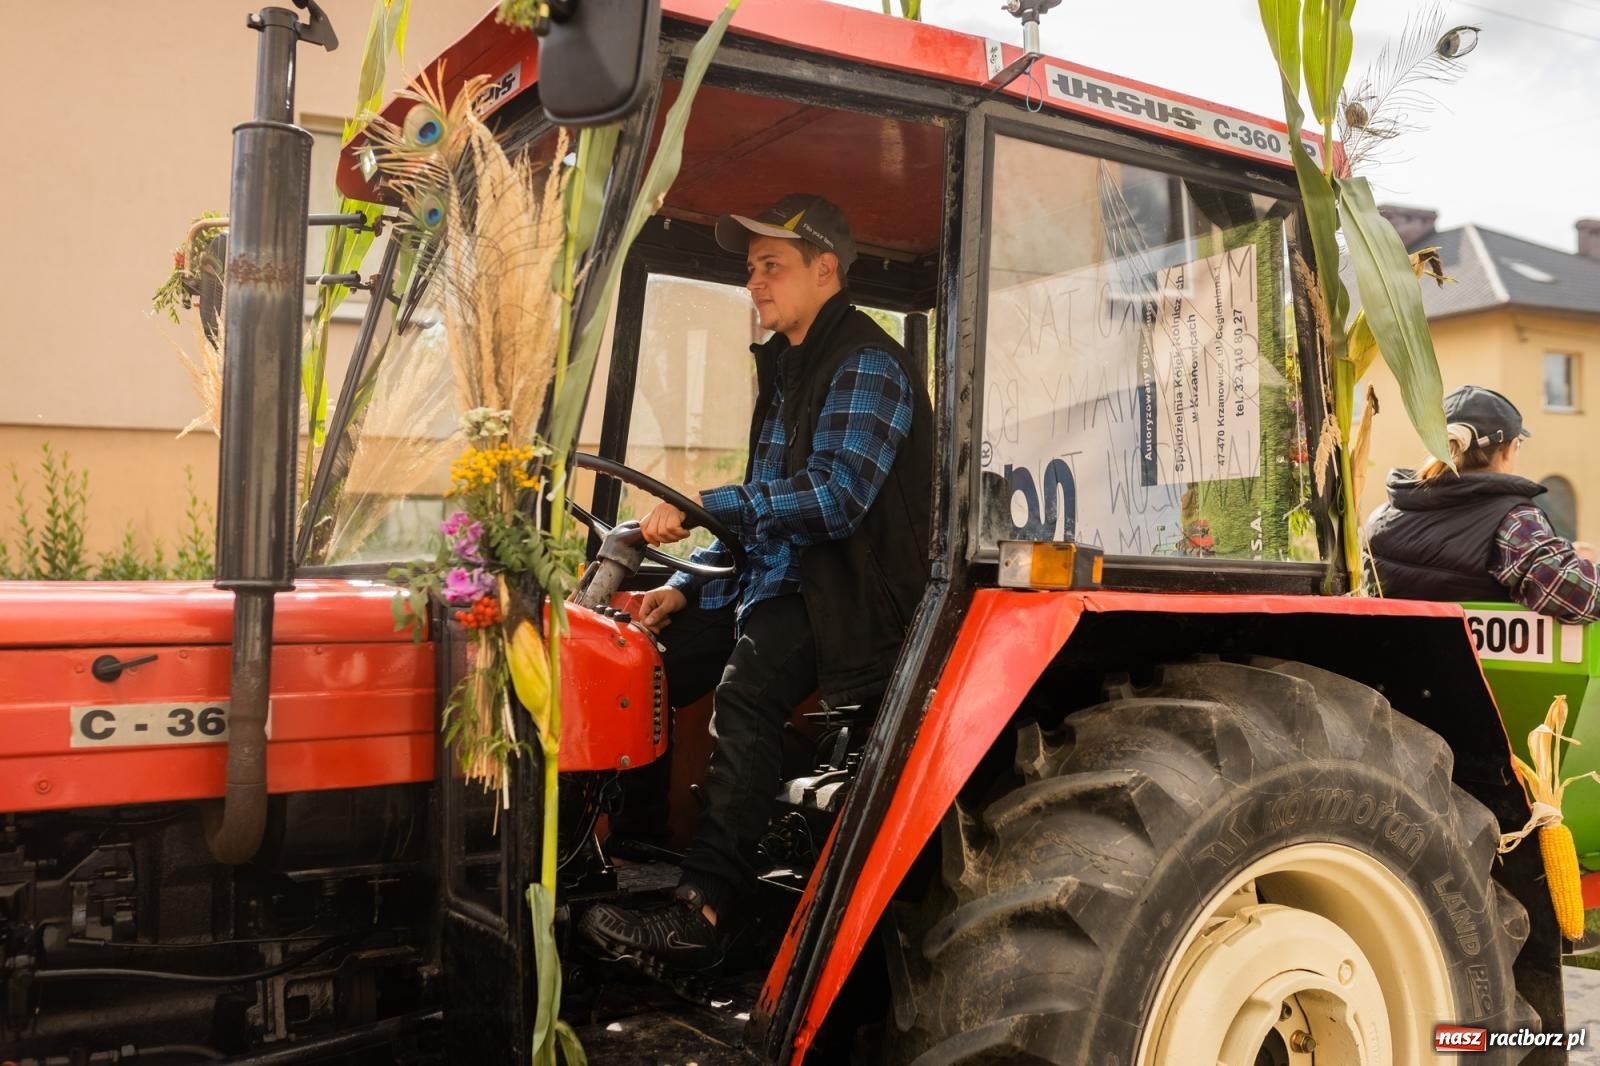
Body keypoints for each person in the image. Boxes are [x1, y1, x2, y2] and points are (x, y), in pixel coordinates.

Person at [578, 194, 932, 975]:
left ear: (825, 269)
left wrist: (701, 504)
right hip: (783, 586)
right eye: (751, 269)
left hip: (857, 602)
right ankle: (612, 862)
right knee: (645, 665)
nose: (756, 283)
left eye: (772, 266)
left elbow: (833, 500)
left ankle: (705, 908)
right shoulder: (787, 369)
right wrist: (693, 590)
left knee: (747, 685)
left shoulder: (868, 365)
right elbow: (764, 530)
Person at [1366, 384, 1600, 622]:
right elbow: (1576, 593)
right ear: (1508, 450)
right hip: (1481, 660)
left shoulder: (1381, 518)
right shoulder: (1512, 521)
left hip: (1400, 657)